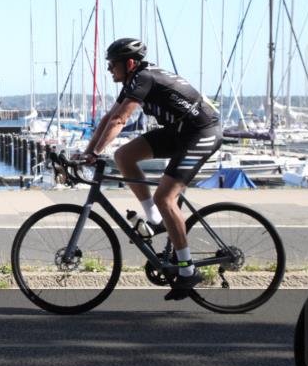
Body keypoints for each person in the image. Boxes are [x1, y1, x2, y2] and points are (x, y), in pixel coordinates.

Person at [80, 38, 222, 300]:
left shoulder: (144, 78)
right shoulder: (134, 80)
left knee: (165, 197)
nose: (109, 69)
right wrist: (88, 151)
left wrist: (96, 153)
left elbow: (120, 120)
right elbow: (108, 118)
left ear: (129, 63)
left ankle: (187, 270)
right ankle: (155, 219)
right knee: (124, 156)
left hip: (201, 132)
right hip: (179, 131)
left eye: (112, 64)